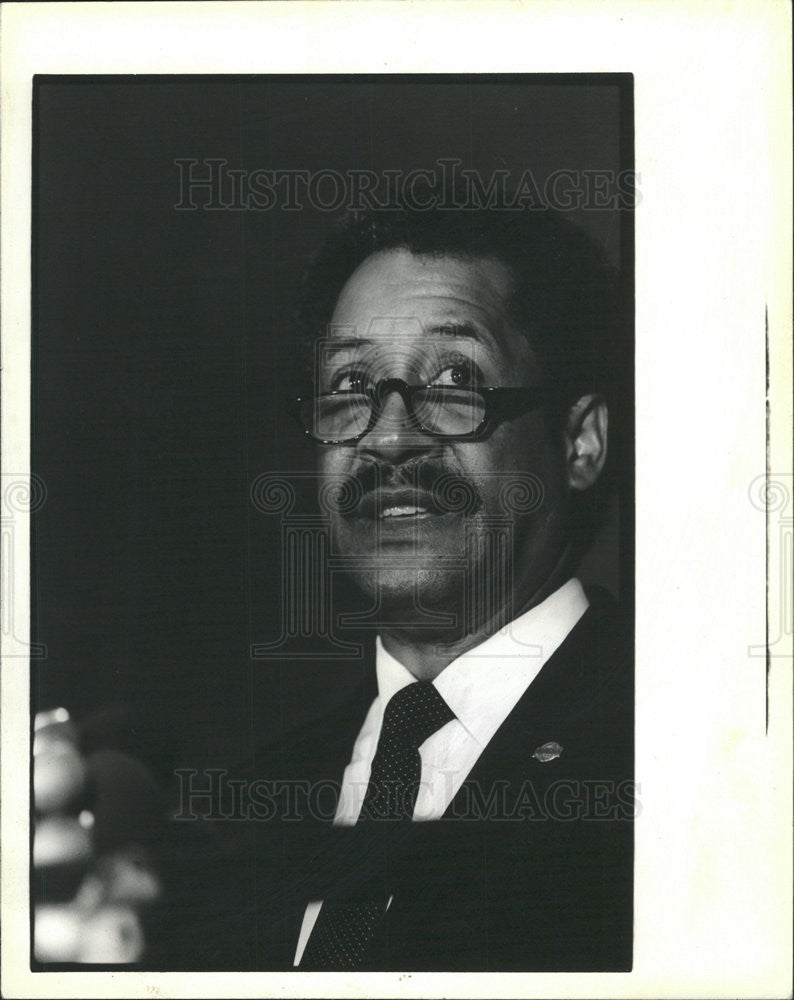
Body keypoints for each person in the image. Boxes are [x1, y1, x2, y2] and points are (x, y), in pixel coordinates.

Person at [33, 202, 634, 971]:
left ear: (580, 442)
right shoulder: (241, 815)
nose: (387, 437)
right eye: (350, 384)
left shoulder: (677, 759)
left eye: (455, 377)